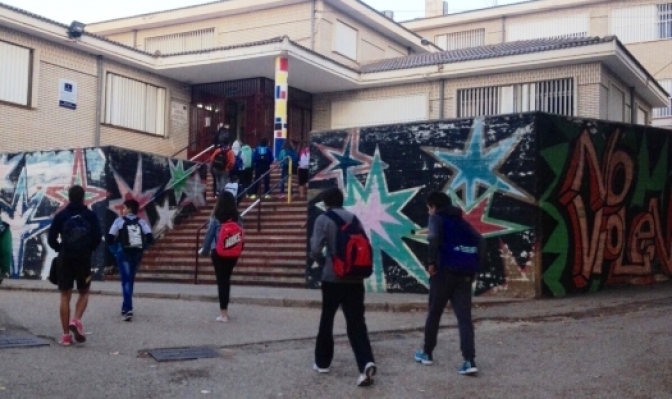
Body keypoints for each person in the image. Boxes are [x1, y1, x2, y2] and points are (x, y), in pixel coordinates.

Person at [310, 187, 377, 387]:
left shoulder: (323, 219)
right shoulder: (354, 219)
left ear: (326, 202)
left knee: (327, 319)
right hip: (356, 278)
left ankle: (322, 362)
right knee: (357, 322)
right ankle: (366, 362)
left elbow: (315, 249)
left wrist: (324, 262)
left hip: (332, 278)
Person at [414, 191, 482, 376]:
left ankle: (427, 353)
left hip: (443, 273)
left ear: (433, 206)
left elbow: (434, 238)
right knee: (464, 318)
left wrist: (431, 262)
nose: (429, 211)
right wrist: (475, 267)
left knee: (434, 313)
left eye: (429, 208)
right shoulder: (461, 221)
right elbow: (480, 240)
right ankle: (469, 360)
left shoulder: (436, 218)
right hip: (465, 274)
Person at [47, 185, 102, 346]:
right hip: (83, 258)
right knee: (84, 292)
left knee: (65, 295)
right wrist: (88, 250)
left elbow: (51, 239)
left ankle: (65, 336)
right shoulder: (90, 216)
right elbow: (97, 237)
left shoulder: (61, 215)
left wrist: (61, 249)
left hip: (65, 258)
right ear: (83, 197)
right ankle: (76, 320)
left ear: (69, 198)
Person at [198, 191, 243, 322]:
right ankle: (225, 311)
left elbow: (209, 236)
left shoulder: (216, 217)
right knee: (227, 280)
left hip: (218, 252)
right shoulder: (238, 218)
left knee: (221, 281)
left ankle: (223, 313)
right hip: (233, 252)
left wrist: (204, 251)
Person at [107, 199, 154, 322]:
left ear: (128, 209)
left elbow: (109, 237)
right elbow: (150, 237)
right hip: (137, 254)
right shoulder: (142, 222)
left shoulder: (119, 221)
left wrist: (114, 251)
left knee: (126, 281)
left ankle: (128, 309)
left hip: (124, 253)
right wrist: (142, 248)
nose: (123, 210)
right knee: (130, 280)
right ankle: (125, 307)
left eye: (124, 207)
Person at [0, 215, 11, 284]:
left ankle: (3, 274)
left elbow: (5, 251)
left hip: (4, 234)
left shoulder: (4, 225)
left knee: (5, 252)